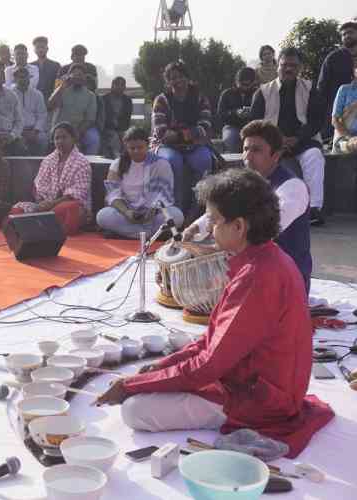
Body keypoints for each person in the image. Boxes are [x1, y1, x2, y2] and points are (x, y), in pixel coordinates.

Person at [97, 167, 334, 459]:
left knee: (135, 410)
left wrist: (131, 385)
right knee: (153, 383)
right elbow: (211, 340)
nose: (209, 228)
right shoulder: (263, 258)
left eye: (214, 220)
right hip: (259, 380)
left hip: (260, 398)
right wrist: (161, 367)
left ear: (239, 227)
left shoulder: (258, 276)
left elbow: (209, 364)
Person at [184, 120, 312, 293]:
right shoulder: (246, 182)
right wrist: (194, 228)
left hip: (287, 282)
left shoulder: (293, 188)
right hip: (251, 271)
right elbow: (220, 209)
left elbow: (264, 231)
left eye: (256, 150)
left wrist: (211, 249)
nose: (248, 157)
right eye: (245, 149)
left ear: (276, 155)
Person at [250, 47, 327, 226]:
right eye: (285, 65)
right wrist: (276, 138)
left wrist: (298, 138)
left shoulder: (310, 89)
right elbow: (254, 121)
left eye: (294, 65)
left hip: (303, 141)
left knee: (315, 156)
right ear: (278, 65)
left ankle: (314, 209)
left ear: (300, 68)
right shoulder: (263, 92)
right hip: (272, 142)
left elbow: (317, 120)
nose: (289, 69)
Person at [96, 127, 182, 238]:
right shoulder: (117, 164)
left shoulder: (161, 164)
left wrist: (150, 212)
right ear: (126, 147)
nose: (136, 151)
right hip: (126, 212)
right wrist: (127, 212)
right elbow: (112, 195)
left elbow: (163, 194)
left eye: (140, 147)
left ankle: (131, 233)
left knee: (177, 215)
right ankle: (148, 234)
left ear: (147, 146)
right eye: (132, 148)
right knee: (102, 216)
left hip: (153, 213)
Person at [151, 61, 214, 213]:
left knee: (205, 160)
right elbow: (162, 133)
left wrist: (179, 134)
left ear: (187, 77)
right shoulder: (161, 100)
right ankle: (176, 210)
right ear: (167, 81)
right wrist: (189, 133)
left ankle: (197, 211)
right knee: (173, 161)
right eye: (172, 78)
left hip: (195, 146)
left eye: (180, 77)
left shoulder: (200, 98)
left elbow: (205, 126)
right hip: (166, 146)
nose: (177, 81)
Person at [8, 122, 91, 235]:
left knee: (65, 210)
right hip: (45, 205)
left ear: (73, 139)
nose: (60, 141)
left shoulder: (82, 162)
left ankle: (40, 227)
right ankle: (42, 227)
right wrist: (43, 204)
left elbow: (78, 193)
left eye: (64, 137)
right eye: (57, 138)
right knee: (16, 211)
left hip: (69, 204)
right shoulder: (48, 160)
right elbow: (38, 186)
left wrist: (53, 204)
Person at [318, 18, 357, 140]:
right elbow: (322, 86)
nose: (346, 36)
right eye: (343, 34)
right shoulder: (333, 58)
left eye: (350, 32)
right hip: (337, 114)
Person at [49, 64, 100, 155]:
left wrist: (76, 133)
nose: (77, 77)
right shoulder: (61, 91)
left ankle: (90, 165)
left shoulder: (90, 95)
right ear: (69, 76)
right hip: (60, 127)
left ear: (84, 77)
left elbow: (90, 120)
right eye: (74, 75)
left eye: (80, 75)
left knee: (93, 138)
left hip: (80, 128)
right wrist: (62, 86)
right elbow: (50, 105)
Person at [217, 68, 258, 153]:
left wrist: (252, 112)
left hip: (253, 127)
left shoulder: (258, 93)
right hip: (232, 126)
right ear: (236, 81)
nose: (245, 87)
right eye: (242, 84)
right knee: (230, 139)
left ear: (253, 82)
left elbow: (264, 113)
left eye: (248, 84)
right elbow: (220, 114)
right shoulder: (227, 94)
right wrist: (235, 113)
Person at [11, 67, 48, 155]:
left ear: (29, 78)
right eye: (20, 77)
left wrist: (35, 131)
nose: (23, 79)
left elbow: (42, 115)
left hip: (35, 130)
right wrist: (19, 132)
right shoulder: (9, 94)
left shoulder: (37, 94)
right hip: (16, 131)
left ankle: (40, 167)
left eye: (25, 77)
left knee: (43, 140)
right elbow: (8, 116)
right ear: (15, 79)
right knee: (17, 146)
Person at [100, 77, 133, 158]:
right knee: (114, 138)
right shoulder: (104, 99)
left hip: (122, 129)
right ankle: (117, 160)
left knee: (129, 137)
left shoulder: (127, 100)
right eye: (117, 84)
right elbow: (101, 118)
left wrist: (122, 131)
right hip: (107, 129)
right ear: (112, 85)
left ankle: (128, 160)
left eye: (122, 85)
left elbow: (127, 119)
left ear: (125, 87)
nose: (119, 87)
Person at [332, 65, 357, 153]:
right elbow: (335, 120)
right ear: (354, 71)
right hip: (344, 137)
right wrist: (350, 138)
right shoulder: (344, 90)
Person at [31, 36, 61, 101]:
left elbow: (59, 86)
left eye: (42, 47)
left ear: (47, 48)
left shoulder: (56, 65)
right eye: (38, 47)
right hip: (33, 102)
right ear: (34, 50)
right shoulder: (30, 66)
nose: (40, 50)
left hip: (51, 101)